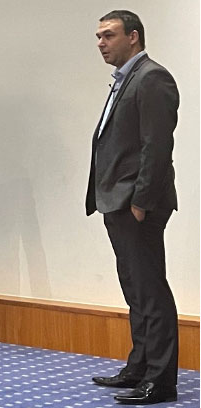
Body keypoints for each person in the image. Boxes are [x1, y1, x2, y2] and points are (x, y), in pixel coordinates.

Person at [86, 10, 179, 405]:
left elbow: (156, 147)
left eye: (108, 35)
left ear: (134, 37)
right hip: (117, 200)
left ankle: (160, 380)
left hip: (137, 203)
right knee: (135, 290)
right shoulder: (125, 79)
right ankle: (139, 367)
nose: (101, 43)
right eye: (98, 36)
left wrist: (141, 202)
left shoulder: (152, 78)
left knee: (150, 291)